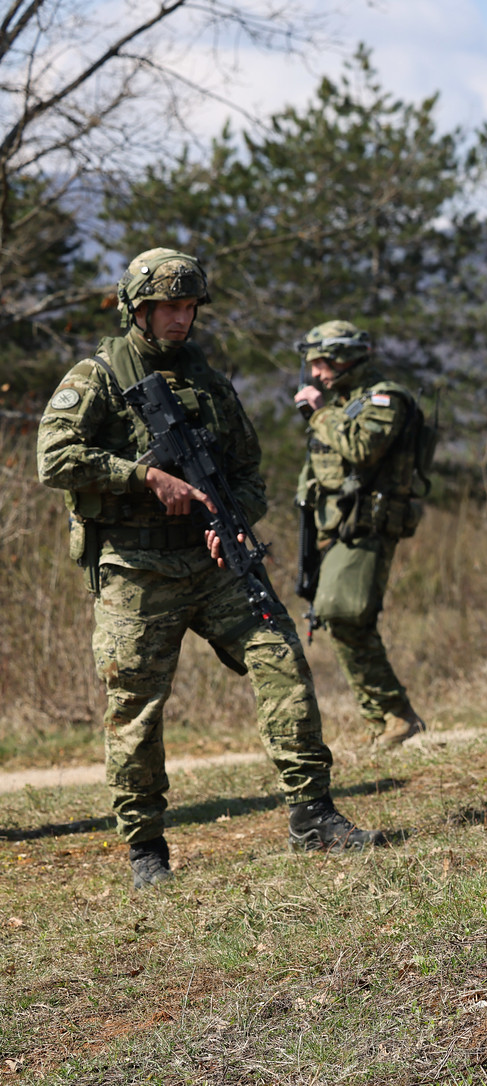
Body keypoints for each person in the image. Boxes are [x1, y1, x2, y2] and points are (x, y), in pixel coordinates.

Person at [37, 249, 379, 889]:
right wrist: (144, 477)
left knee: (282, 659)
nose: (181, 318)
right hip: (136, 569)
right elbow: (53, 458)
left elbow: (249, 472)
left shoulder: (211, 381)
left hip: (215, 561)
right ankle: (146, 850)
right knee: (135, 707)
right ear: (137, 309)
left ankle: (313, 814)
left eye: (190, 306)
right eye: (169, 306)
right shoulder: (99, 376)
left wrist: (234, 520)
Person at [293, 320, 429, 749]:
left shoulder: (384, 399)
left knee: (345, 613)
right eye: (312, 364)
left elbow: (363, 448)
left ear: (346, 356)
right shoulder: (346, 403)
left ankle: (395, 715)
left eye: (322, 362)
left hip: (369, 526)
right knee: (340, 616)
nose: (315, 373)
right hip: (337, 528)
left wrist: (319, 414)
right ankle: (387, 719)